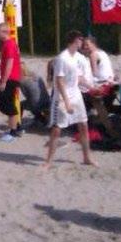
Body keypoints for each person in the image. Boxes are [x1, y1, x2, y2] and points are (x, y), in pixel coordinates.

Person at [44, 30, 96, 168]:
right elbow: (59, 81)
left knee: (83, 125)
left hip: (76, 95)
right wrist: (66, 101)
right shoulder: (62, 58)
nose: (82, 42)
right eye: (80, 39)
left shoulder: (78, 57)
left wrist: (92, 87)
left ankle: (86, 157)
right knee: (57, 130)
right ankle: (48, 161)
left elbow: (79, 78)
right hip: (61, 97)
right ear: (74, 40)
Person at [0, 22, 22, 142]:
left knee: (6, 105)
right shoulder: (8, 44)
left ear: (4, 32)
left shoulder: (9, 44)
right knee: (6, 103)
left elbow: (10, 64)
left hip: (11, 79)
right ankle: (16, 127)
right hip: (10, 78)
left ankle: (14, 131)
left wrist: (4, 81)